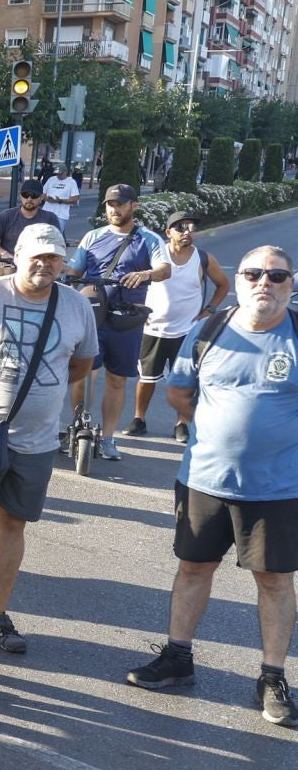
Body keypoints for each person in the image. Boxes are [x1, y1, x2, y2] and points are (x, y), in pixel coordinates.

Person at [126, 245, 298, 726]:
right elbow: (179, 391)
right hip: (204, 479)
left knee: (275, 581)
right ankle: (177, 659)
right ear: (238, 280)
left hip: (279, 489)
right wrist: (217, 433)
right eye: (253, 273)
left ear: (292, 282)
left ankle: (272, 676)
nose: (264, 282)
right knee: (194, 568)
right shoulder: (210, 329)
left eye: (276, 276)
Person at [0, 223, 99, 655]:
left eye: (54, 257)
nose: (45, 264)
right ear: (17, 255)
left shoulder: (75, 306)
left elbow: (81, 364)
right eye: (38, 256)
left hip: (37, 440)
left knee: (12, 522)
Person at [67, 183, 168, 461]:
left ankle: (109, 438)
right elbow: (74, 271)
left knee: (117, 379)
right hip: (93, 315)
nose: (114, 209)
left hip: (127, 319)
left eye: (120, 204)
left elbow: (164, 269)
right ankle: (78, 425)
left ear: (133, 206)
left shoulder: (148, 238)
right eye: (110, 204)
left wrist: (146, 274)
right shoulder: (93, 236)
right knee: (84, 374)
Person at [134, 210, 229, 440]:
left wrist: (210, 310)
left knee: (186, 382)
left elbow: (223, 285)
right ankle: (139, 419)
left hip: (187, 331)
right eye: (181, 227)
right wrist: (139, 310)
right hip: (153, 329)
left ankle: (182, 424)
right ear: (168, 232)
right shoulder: (155, 256)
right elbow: (136, 281)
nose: (187, 232)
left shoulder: (204, 258)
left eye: (191, 228)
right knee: (146, 379)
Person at [0, 178, 60, 278]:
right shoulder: (7, 215)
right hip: (9, 261)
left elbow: (57, 245)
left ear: (41, 198)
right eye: (26, 195)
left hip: (38, 264)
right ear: (20, 196)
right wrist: (4, 254)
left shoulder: (50, 218)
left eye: (34, 196)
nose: (29, 199)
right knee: (8, 270)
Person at [42, 162, 81, 232]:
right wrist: (48, 199)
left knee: (57, 236)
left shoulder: (71, 182)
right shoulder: (51, 179)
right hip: (46, 213)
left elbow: (75, 199)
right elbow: (43, 194)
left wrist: (60, 201)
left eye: (60, 174)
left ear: (65, 172)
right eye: (57, 174)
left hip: (61, 215)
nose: (58, 176)